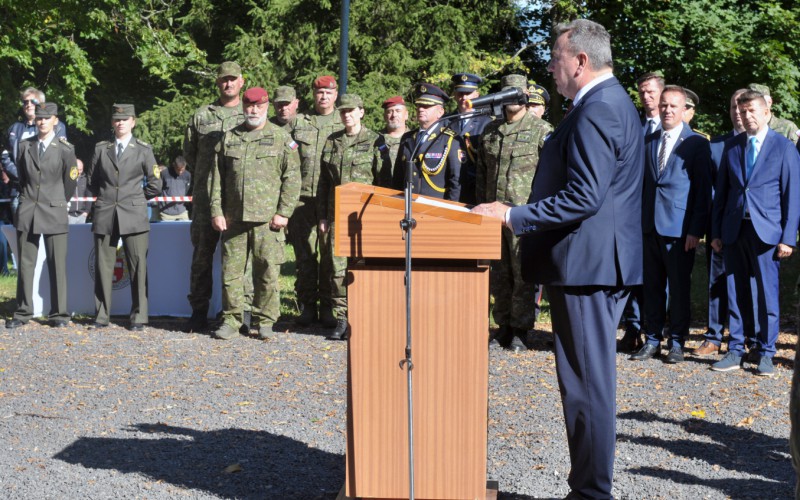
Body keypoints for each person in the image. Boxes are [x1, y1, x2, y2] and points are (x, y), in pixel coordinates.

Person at [472, 19, 644, 498]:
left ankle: (592, 493)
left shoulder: (599, 109)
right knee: (584, 383)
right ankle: (587, 488)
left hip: (589, 266)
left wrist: (513, 215)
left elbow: (584, 197)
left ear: (581, 61)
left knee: (587, 387)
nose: (550, 68)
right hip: (589, 263)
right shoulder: (600, 104)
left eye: (556, 59)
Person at [710, 90, 800, 376]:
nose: (746, 116)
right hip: (735, 229)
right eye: (742, 111)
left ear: (765, 112)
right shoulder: (733, 146)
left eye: (752, 111)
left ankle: (766, 351)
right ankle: (736, 349)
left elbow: (792, 195)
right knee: (735, 290)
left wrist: (788, 237)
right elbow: (721, 194)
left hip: (767, 232)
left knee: (766, 294)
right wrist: (715, 232)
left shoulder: (783, 147)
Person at [210, 87, 300, 340]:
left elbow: (292, 178)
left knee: (268, 273)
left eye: (258, 106)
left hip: (267, 220)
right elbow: (215, 179)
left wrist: (284, 212)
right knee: (231, 274)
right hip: (233, 219)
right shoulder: (229, 138)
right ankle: (232, 319)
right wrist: (216, 211)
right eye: (249, 105)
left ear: (267, 106)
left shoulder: (281, 137)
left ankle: (265, 321)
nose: (253, 110)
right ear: (243, 107)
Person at [629, 85, 712, 364]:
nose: (667, 110)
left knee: (678, 289)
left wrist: (694, 231)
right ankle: (652, 339)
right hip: (648, 227)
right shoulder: (648, 140)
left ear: (685, 110)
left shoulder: (698, 144)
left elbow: (702, 192)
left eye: (673, 106)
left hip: (679, 230)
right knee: (651, 287)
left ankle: (677, 342)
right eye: (664, 105)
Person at [476, 74, 553, 352]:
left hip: (524, 215)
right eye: (506, 92)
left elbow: (550, 175)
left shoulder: (541, 129)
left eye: (516, 92)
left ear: (525, 95)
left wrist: (541, 213)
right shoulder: (490, 131)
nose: (512, 98)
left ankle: (521, 329)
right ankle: (504, 326)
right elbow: (481, 174)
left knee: (523, 273)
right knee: (499, 272)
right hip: (492, 214)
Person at [317, 93, 392, 340]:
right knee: (337, 269)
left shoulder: (375, 140)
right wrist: (323, 217)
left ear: (361, 112)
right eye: (343, 111)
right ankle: (342, 318)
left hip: (366, 216)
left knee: (364, 267)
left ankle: (364, 317)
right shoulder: (332, 141)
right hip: (337, 213)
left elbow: (384, 181)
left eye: (351, 110)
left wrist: (382, 217)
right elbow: (324, 183)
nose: (347, 115)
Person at [183, 61, 246, 331]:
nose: (228, 84)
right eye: (223, 80)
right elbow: (190, 153)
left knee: (239, 258)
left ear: (241, 81)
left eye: (233, 79)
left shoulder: (250, 114)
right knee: (202, 256)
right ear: (217, 83)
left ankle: (237, 314)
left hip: (238, 199)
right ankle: (199, 311)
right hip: (205, 199)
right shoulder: (202, 116)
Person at [87, 104, 162, 331]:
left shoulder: (143, 149)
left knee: (138, 266)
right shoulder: (102, 149)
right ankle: (102, 316)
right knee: (102, 266)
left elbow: (155, 183)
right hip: (106, 212)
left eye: (125, 119)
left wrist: (136, 198)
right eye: (116, 119)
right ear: (112, 122)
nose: (120, 122)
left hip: (134, 214)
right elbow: (92, 181)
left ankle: (139, 316)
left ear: (133, 122)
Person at [6, 102, 77, 329]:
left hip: (54, 209)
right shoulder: (25, 146)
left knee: (57, 264)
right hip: (29, 209)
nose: (42, 121)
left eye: (47, 118)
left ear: (55, 120)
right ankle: (23, 311)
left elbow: (70, 182)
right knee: (26, 264)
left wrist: (56, 200)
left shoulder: (66, 149)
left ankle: (59, 314)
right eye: (39, 118)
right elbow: (23, 178)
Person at [694, 88, 747, 357]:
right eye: (732, 107)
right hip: (722, 229)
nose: (737, 112)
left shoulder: (766, 143)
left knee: (750, 285)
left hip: (754, 229)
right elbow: (710, 194)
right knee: (717, 283)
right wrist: (713, 231)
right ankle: (714, 336)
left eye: (742, 106)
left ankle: (748, 337)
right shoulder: (716, 146)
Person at [289, 75, 343, 328]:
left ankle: (330, 307)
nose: (324, 97)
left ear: (336, 95)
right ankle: (307, 306)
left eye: (328, 93)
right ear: (313, 94)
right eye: (320, 92)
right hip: (302, 200)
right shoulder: (299, 122)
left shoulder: (343, 120)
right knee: (305, 257)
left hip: (333, 203)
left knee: (331, 258)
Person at [617, 71, 664, 354]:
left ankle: (655, 330)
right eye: (642, 92)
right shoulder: (634, 124)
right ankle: (633, 328)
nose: (645, 97)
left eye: (650, 92)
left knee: (657, 279)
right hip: (632, 214)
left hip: (660, 216)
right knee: (632, 274)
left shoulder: (672, 129)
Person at [2, 87, 68, 219]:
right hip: (21, 190)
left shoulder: (57, 126)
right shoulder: (14, 128)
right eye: (25, 102)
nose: (29, 105)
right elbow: (5, 156)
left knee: (48, 235)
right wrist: (21, 176)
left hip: (48, 191)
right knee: (22, 236)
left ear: (41, 104)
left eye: (33, 101)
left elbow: (61, 156)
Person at [392, 83, 464, 201]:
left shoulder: (450, 140)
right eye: (419, 105)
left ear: (440, 112)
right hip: (407, 206)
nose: (421, 109)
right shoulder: (407, 138)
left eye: (427, 106)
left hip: (436, 209)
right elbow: (398, 178)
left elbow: (456, 182)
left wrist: (450, 210)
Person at [450, 73, 492, 205]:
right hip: (450, 189)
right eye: (460, 93)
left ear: (477, 95)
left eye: (468, 93)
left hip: (477, 190)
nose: (464, 97)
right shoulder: (445, 122)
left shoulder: (487, 123)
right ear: (455, 95)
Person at [158, 156, 192, 221]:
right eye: (178, 169)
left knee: (186, 230)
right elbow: (159, 189)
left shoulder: (188, 175)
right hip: (166, 213)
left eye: (182, 170)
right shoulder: (164, 174)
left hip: (182, 211)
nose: (180, 172)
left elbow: (187, 190)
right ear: (174, 165)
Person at [380, 95, 408, 170]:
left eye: (398, 111)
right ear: (385, 116)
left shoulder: (414, 140)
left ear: (406, 115)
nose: (394, 115)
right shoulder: (375, 139)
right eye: (389, 111)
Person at [68, 159, 92, 224]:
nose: (79, 172)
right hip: (69, 215)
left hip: (82, 215)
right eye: (77, 169)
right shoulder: (67, 180)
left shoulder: (85, 180)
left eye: (81, 170)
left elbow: (89, 196)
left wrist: (86, 211)